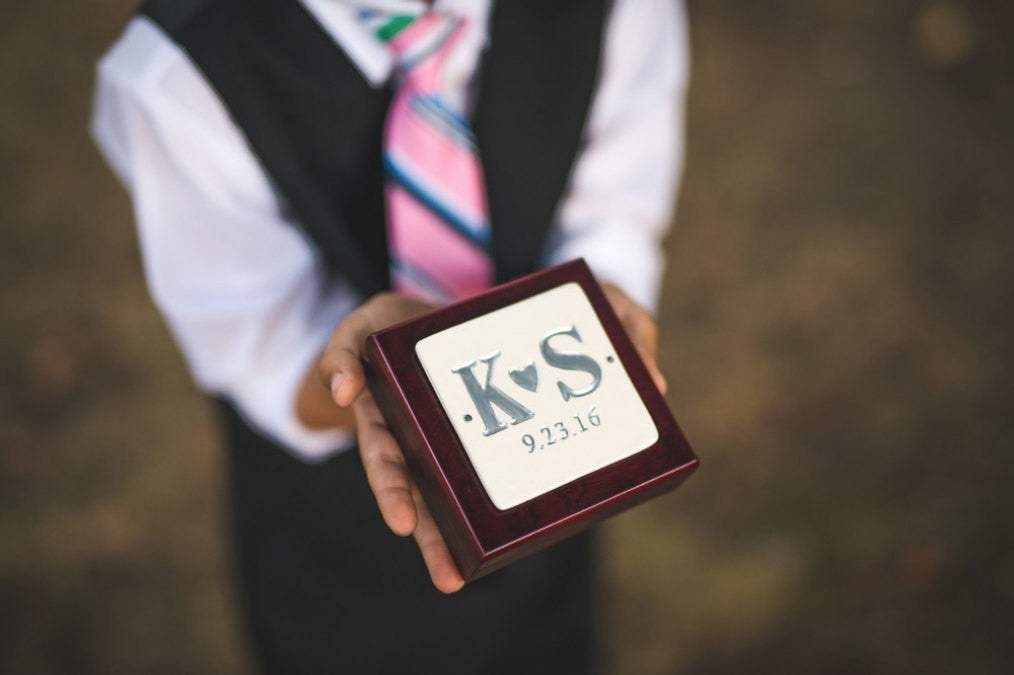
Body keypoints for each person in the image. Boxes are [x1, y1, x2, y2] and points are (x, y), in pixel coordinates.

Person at [92, 0, 688, 672]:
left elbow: (613, 214)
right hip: (335, 546)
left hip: (554, 492)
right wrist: (382, 378)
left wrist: (608, 307)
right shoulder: (178, 72)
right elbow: (261, 348)